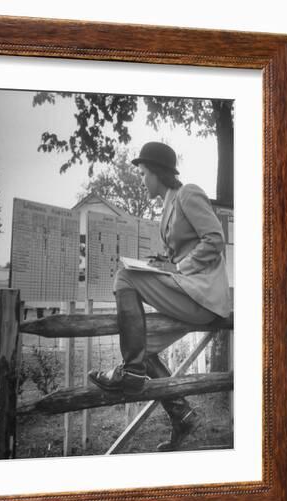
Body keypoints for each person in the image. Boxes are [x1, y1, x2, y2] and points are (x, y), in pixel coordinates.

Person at [88, 141, 231, 451]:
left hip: (203, 294)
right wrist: (161, 263)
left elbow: (216, 239)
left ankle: (132, 372)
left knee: (124, 276)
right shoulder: (168, 205)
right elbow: (182, 251)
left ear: (156, 173)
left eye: (143, 174)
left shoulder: (188, 193)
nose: (141, 180)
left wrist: (179, 266)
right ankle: (182, 414)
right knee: (140, 344)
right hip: (188, 291)